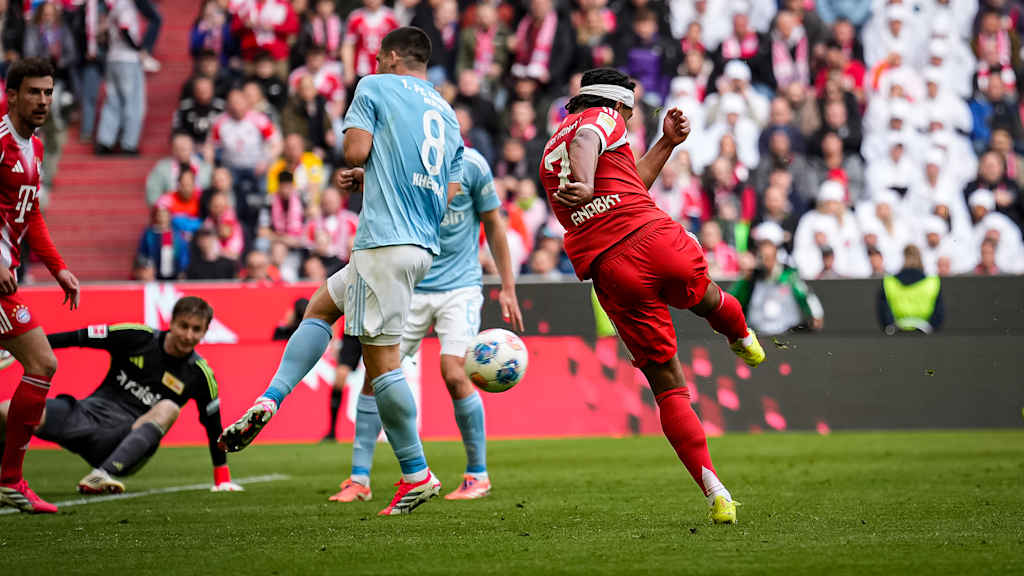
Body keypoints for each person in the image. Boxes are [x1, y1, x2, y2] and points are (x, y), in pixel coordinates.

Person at [219, 27, 464, 516]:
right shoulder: (446, 111)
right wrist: (376, 179)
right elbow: (449, 192)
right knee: (320, 306)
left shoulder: (375, 85)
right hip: (419, 245)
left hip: (384, 242)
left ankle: (417, 473)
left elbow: (354, 151)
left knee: (382, 364)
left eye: (377, 56)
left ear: (390, 56)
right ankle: (271, 398)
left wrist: (361, 167)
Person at [538, 68, 765, 524]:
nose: (630, 119)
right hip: (652, 238)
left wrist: (667, 144)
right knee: (706, 297)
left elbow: (626, 183)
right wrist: (586, 180)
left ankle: (716, 492)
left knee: (668, 385)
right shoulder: (602, 117)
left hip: (611, 267)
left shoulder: (548, 149)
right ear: (618, 104)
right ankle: (741, 336)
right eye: (631, 111)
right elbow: (586, 141)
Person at [331, 147, 523, 503]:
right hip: (410, 286)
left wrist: (508, 287)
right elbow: (388, 183)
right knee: (375, 374)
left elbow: (494, 223)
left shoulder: (473, 166)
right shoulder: (410, 157)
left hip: (460, 288)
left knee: (455, 372)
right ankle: (359, 479)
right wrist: (364, 179)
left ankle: (477, 475)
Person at [0, 297, 242, 495]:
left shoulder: (200, 374)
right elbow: (78, 337)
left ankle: (101, 475)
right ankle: (6, 483)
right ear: (171, 322)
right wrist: (18, 349)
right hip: (85, 416)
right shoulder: (138, 337)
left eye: (196, 329)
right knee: (5, 410)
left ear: (205, 332)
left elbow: (214, 427)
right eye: (184, 326)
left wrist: (222, 478)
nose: (188, 335)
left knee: (169, 406)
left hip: (122, 444)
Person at [0, 58, 80, 514]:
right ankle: (10, 478)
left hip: (7, 280)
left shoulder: (35, 148)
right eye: (33, 92)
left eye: (48, 92)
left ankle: (10, 478)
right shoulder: (0, 142)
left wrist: (58, 268)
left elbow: (30, 214)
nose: (43, 101)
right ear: (11, 95)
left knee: (40, 365)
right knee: (41, 362)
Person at [731, 222, 824, 335]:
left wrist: (816, 315)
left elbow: (807, 297)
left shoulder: (789, 276)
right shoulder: (751, 279)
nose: (764, 251)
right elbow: (733, 301)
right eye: (761, 246)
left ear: (776, 248)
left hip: (787, 335)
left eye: (768, 245)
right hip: (756, 335)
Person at [878, 245, 944, 335]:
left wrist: (890, 326)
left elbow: (884, 313)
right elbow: (939, 314)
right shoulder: (933, 282)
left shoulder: (889, 282)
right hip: (925, 335)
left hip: (896, 334)